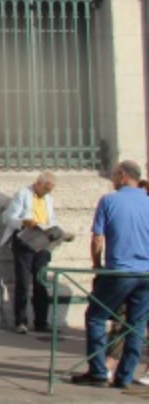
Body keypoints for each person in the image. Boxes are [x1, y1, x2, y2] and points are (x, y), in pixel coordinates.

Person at [71, 160, 149, 389]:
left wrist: (97, 266)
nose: (112, 180)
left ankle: (98, 372)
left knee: (95, 317)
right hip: (146, 273)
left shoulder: (109, 200)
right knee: (136, 324)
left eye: (114, 175)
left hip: (119, 271)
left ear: (123, 175)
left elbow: (97, 238)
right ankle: (124, 376)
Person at [2, 172, 58, 334]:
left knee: (41, 280)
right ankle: (21, 321)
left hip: (42, 241)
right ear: (38, 183)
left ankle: (41, 321)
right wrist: (23, 222)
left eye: (49, 191)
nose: (46, 193)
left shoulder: (48, 199)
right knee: (23, 281)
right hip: (25, 239)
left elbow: (51, 219)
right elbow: (7, 217)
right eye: (45, 189)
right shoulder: (23, 194)